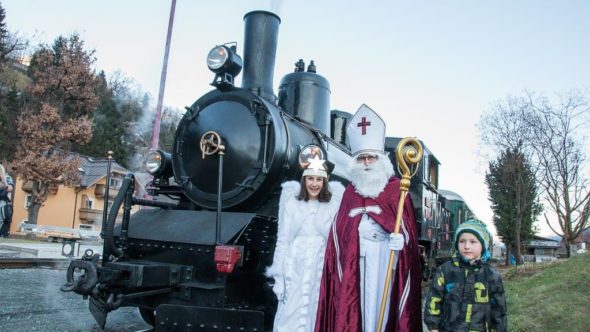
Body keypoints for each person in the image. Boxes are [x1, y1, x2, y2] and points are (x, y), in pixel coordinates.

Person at [315, 104, 423, 332]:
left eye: (371, 158)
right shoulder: (350, 193)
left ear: (380, 159)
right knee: (358, 309)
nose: (366, 163)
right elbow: (339, 233)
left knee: (383, 313)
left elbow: (408, 232)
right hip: (358, 260)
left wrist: (402, 241)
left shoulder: (396, 190)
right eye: (361, 158)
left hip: (386, 258)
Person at [267, 154, 345, 332]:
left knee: (315, 310)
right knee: (291, 313)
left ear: (325, 182)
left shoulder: (332, 205)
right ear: (304, 179)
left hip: (320, 267)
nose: (314, 184)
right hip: (295, 266)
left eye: (319, 179)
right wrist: (279, 276)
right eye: (310, 178)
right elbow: (283, 240)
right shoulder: (293, 204)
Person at [423, 219, 507, 332]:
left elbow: (499, 309)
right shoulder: (445, 271)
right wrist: (433, 327)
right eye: (462, 241)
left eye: (473, 242)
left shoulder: (492, 275)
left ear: (483, 245)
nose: (466, 246)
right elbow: (434, 299)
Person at [0, 164, 14, 237]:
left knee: (2, 221)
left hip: (2, 202)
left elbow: (10, 188)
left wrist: (5, 183)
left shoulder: (7, 177)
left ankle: (2, 234)